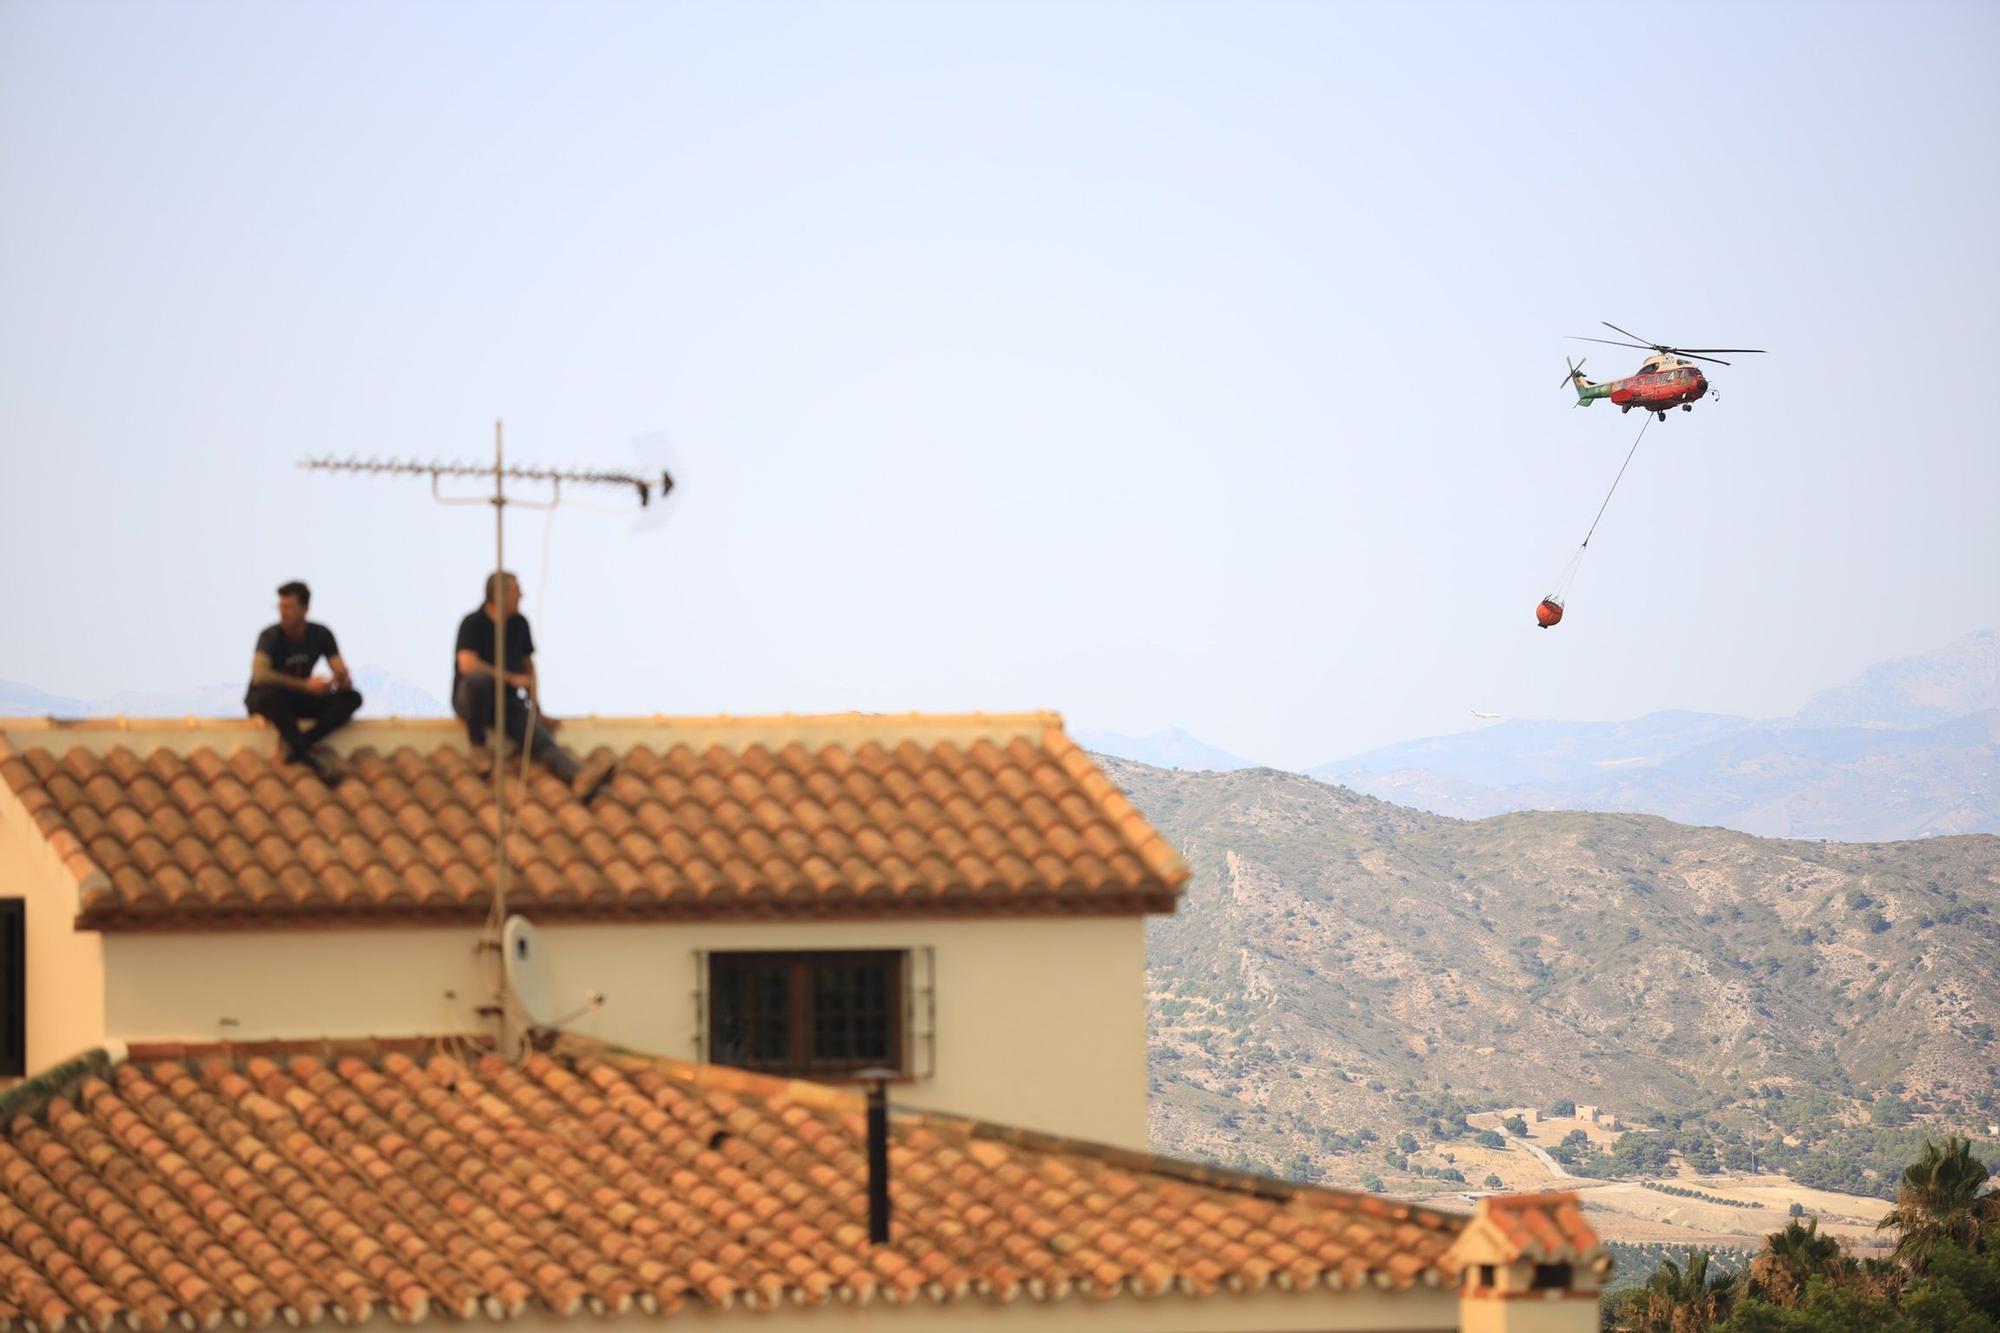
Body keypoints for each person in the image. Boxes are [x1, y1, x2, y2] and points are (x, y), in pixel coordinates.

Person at [453, 571, 614, 802]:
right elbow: (467, 665)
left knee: (536, 735)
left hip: (507, 703)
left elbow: (528, 668)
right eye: (516, 590)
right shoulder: (473, 623)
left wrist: (537, 710)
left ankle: (577, 777)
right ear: (500, 595)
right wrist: (509, 679)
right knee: (480, 681)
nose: (521, 595)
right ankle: (478, 747)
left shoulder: (519, 624)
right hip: (474, 701)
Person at [245, 581, 363, 781]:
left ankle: (301, 743)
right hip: (271, 697)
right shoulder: (270, 636)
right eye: (281, 607)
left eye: (289, 608)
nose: (284, 613)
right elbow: (260, 675)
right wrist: (306, 686)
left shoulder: (321, 634)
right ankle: (309, 754)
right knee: (269, 697)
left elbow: (338, 668)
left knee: (352, 699)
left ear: (305, 609)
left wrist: (341, 681)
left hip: (299, 697)